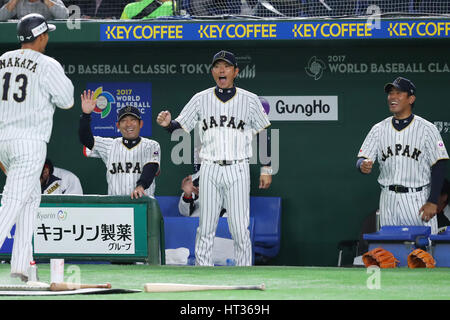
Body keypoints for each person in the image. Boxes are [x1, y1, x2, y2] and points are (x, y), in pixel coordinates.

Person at [157, 50, 273, 266]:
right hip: (209, 168)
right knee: (206, 225)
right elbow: (180, 126)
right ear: (212, 71)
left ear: (236, 71)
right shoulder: (200, 99)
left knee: (239, 226)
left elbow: (263, 131)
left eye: (227, 66)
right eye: (217, 66)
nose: (222, 70)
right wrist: (167, 125)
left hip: (238, 168)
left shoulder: (249, 99)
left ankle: (244, 269)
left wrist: (267, 167)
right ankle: (203, 270)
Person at [0, 13, 74, 282]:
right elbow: (67, 101)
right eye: (47, 34)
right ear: (41, 36)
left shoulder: (1, 61)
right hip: (29, 142)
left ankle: (21, 266)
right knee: (12, 202)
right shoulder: (47, 63)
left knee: (30, 200)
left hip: (4, 140)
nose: (48, 38)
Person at [357, 77, 449, 235]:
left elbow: (439, 165)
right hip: (388, 199)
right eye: (390, 93)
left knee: (424, 253)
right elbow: (362, 158)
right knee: (390, 253)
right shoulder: (379, 129)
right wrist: (362, 165)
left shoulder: (427, 129)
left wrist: (433, 201)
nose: (392, 97)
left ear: (411, 98)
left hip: (417, 198)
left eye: (398, 93)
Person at [79, 91, 161, 199]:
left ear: (140, 124)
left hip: (143, 204)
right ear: (118, 125)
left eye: (133, 120)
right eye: (123, 121)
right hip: (116, 207)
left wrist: (141, 186)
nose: (128, 124)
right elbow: (86, 139)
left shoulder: (151, 145)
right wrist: (86, 115)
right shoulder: (110, 145)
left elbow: (151, 167)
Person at [0, 0, 68, 21]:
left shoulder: (52, 1)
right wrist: (14, 1)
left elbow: (64, 16)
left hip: (46, 34)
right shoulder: (19, 2)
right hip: (25, 34)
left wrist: (47, 1)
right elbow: (1, 17)